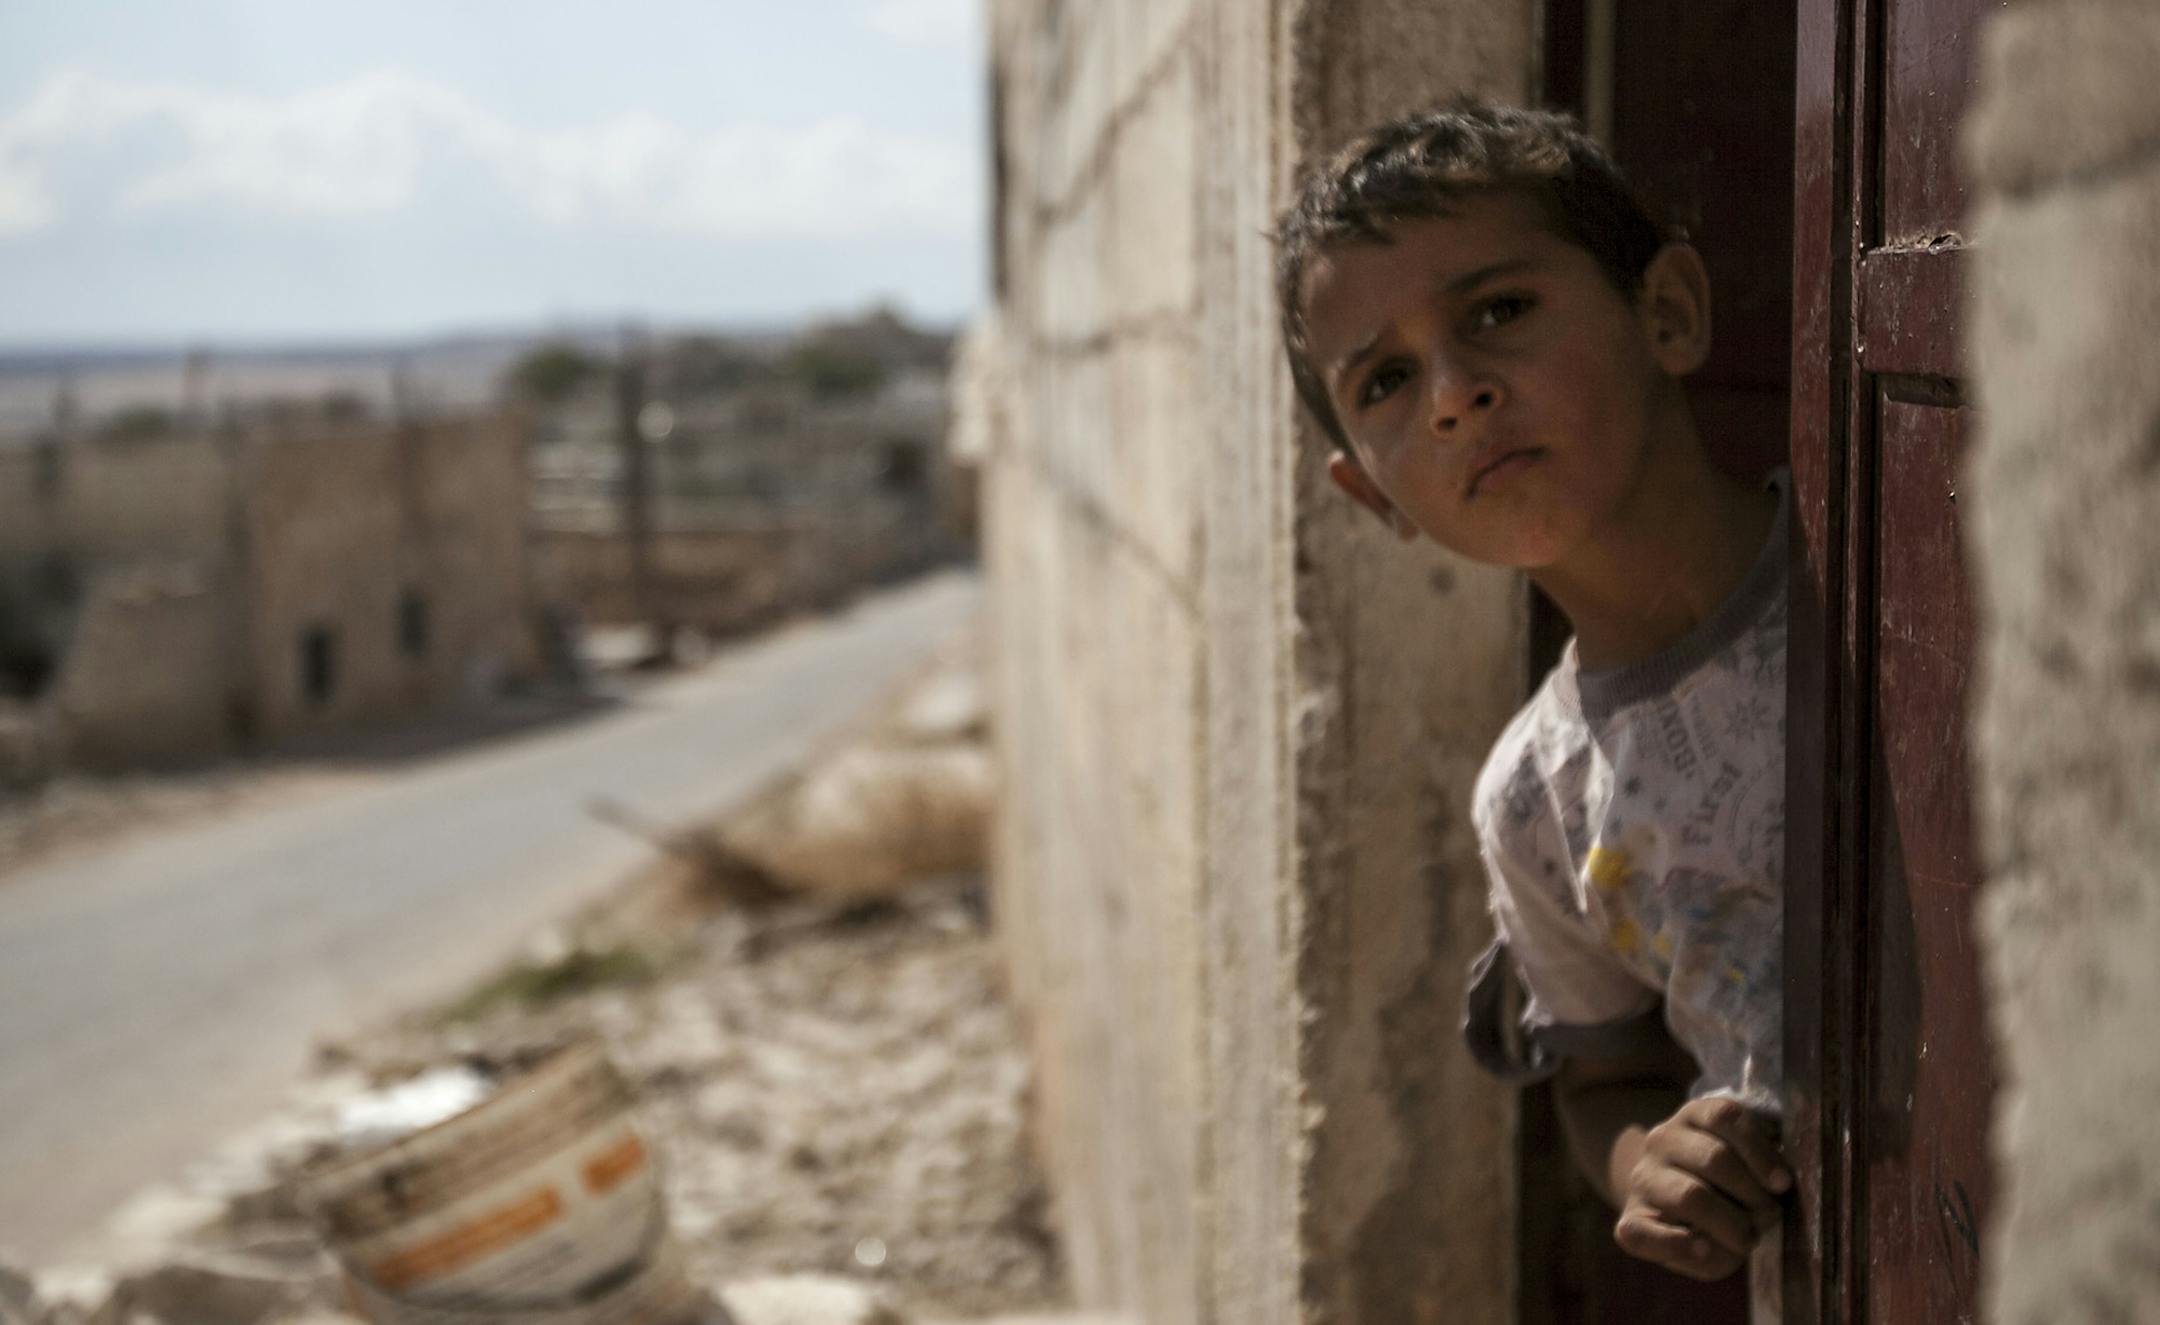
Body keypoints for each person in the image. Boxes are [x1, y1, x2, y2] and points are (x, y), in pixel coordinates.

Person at [1273, 103, 1791, 1320]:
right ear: (1372, 491)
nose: (1455, 395)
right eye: (1389, 380)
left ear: (1666, 310)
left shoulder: (1903, 584)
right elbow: (1601, 1077)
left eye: (1499, 311)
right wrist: (1645, 1164)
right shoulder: (1537, 798)